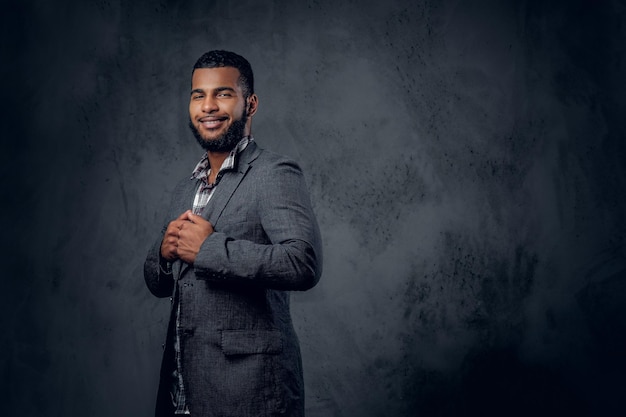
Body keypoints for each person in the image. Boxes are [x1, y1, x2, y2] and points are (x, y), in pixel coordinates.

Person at [144, 50, 323, 417]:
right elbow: (160, 285)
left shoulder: (274, 173)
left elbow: (303, 262)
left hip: (249, 392)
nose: (208, 106)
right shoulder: (185, 187)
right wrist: (162, 255)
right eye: (198, 95)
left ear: (250, 103)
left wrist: (208, 249)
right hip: (182, 393)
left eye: (223, 93)